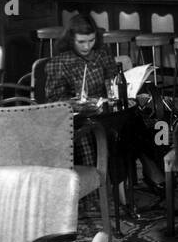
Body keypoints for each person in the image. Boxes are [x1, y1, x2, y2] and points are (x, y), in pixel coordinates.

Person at [44, 17, 166, 185]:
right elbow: (54, 100)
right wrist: (79, 102)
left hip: (107, 110)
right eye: (81, 42)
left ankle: (149, 170)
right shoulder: (59, 62)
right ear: (71, 39)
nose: (87, 46)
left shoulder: (101, 53)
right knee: (125, 128)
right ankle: (148, 174)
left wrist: (122, 89)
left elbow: (112, 80)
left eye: (91, 40)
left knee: (135, 119)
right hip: (80, 117)